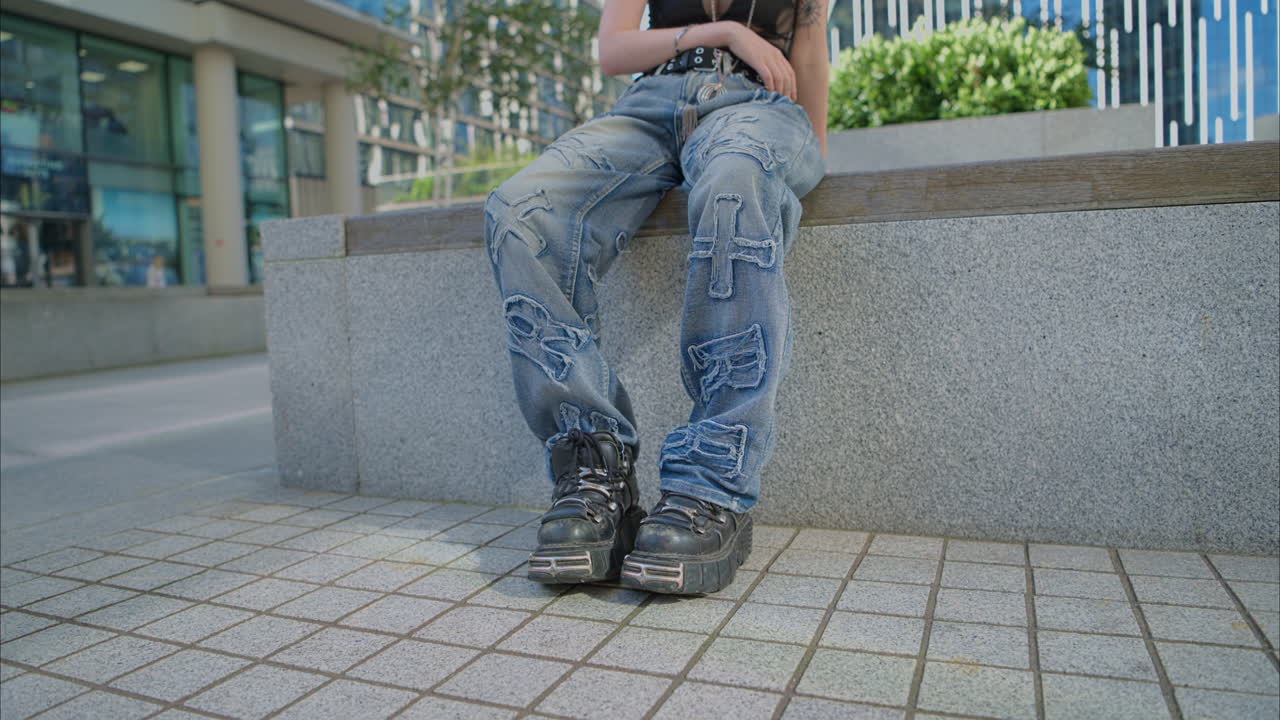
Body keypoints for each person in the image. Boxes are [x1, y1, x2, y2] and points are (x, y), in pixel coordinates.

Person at [486, 0, 829, 595]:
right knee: (518, 211)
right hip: (647, 107)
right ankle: (595, 470)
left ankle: (710, 484)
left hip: (754, 108)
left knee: (733, 183)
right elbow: (614, 50)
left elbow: (810, 60)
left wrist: (809, 149)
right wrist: (728, 31)